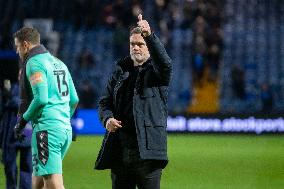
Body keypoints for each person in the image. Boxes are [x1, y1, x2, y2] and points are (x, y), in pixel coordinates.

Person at [95, 14, 172, 189]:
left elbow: (166, 64)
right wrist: (107, 119)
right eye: (132, 44)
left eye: (140, 44)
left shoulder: (156, 74)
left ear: (148, 47)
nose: (136, 48)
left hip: (148, 153)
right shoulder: (119, 72)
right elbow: (104, 102)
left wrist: (150, 36)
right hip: (120, 151)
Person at [13, 27, 79, 189]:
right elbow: (74, 99)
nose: (17, 51)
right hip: (64, 130)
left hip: (46, 130)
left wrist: (22, 122)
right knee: (39, 178)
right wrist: (63, 120)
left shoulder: (34, 63)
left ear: (26, 45)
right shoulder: (59, 62)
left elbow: (41, 99)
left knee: (53, 183)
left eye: (17, 46)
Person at [0, 79, 32, 189]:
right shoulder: (7, 86)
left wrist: (11, 99)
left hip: (27, 131)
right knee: (9, 165)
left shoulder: (31, 86)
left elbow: (31, 103)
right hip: (10, 132)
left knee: (27, 167)